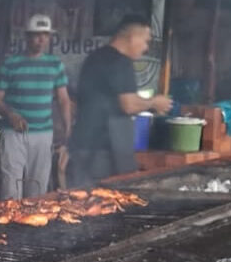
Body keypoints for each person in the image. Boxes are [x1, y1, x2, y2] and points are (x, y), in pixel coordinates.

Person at [67, 15, 173, 186]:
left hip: (83, 144)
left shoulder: (95, 57)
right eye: (146, 41)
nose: (146, 48)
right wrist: (154, 103)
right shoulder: (121, 63)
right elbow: (128, 105)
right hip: (103, 151)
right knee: (109, 201)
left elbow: (114, 97)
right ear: (133, 37)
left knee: (80, 202)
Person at [0, 14, 73, 199]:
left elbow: (63, 100)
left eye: (45, 35)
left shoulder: (55, 65)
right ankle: (11, 226)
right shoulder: (10, 64)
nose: (41, 39)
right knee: (11, 187)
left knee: (38, 188)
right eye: (36, 35)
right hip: (14, 134)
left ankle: (34, 226)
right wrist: (11, 114)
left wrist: (68, 130)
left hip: (43, 134)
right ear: (27, 37)